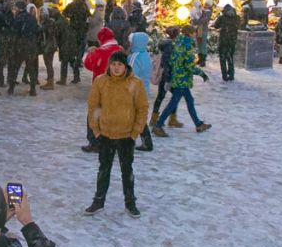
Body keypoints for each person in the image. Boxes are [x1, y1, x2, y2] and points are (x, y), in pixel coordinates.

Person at [87, 51, 148, 216]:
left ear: (125, 66)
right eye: (113, 64)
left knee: (127, 171)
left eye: (120, 64)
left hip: (126, 136)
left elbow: (142, 108)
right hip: (105, 135)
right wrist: (96, 130)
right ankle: (98, 201)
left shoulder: (135, 83)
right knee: (103, 170)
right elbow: (93, 106)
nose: (116, 68)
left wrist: (135, 132)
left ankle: (130, 203)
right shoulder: (101, 82)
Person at [152, 32, 210, 136]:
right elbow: (189, 66)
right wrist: (202, 74)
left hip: (177, 78)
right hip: (183, 80)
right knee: (173, 103)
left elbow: (171, 61)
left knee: (189, 100)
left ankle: (198, 124)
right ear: (190, 35)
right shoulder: (187, 48)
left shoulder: (177, 45)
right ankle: (158, 125)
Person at [213, 3, 240, 82]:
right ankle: (231, 75)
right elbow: (239, 26)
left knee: (223, 59)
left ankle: (224, 76)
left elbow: (216, 26)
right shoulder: (237, 18)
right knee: (230, 57)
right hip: (233, 41)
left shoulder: (222, 17)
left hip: (223, 41)